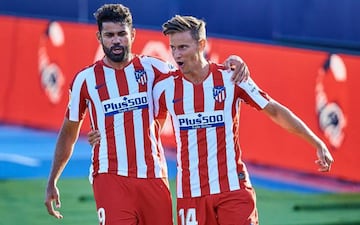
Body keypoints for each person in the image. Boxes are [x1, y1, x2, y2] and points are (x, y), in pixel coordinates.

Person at [44, 4, 249, 225]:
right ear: (99, 37)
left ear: (132, 34)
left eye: (122, 34)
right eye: (109, 35)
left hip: (154, 177)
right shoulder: (85, 80)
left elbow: (197, 72)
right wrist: (52, 179)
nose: (116, 40)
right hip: (110, 175)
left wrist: (234, 61)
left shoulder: (155, 69)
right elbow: (69, 131)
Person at [152, 15, 334, 225]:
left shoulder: (231, 78)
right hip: (190, 194)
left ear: (202, 44)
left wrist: (316, 142)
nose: (176, 54)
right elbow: (137, 118)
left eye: (183, 47)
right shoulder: (164, 87)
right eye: (173, 47)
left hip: (233, 190)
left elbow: (274, 110)